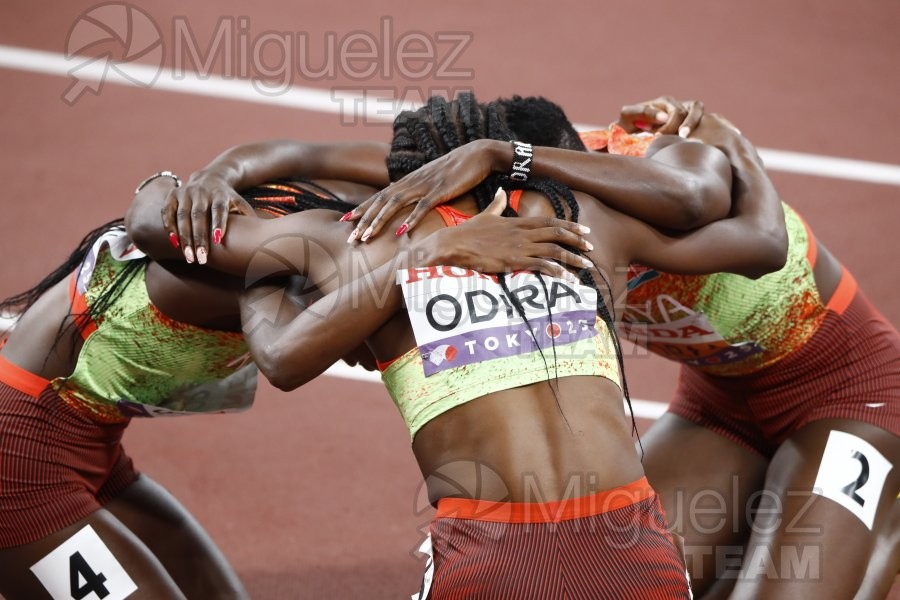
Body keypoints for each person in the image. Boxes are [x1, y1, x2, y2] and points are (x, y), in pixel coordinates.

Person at [135, 92, 816, 598]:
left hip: (493, 554)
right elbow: (762, 242)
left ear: (411, 173)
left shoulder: (365, 243)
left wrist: (189, 184)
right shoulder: (593, 223)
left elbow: (267, 345)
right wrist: (731, 138)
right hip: (629, 543)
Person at [333, 97, 900, 599]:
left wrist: (734, 143)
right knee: (622, 571)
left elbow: (753, 234)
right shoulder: (503, 219)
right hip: (718, 406)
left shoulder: (645, 165)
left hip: (849, 393)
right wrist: (242, 167)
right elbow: (367, 172)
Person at [0, 174, 580, 599]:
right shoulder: (267, 265)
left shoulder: (295, 254)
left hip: (89, 446)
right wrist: (163, 186)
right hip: (16, 461)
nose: (372, 351)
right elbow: (284, 357)